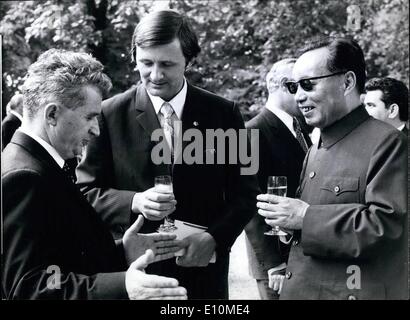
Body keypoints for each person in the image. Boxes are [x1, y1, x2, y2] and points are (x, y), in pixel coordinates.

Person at [76, 10, 259, 299]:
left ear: (190, 60)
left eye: (167, 64)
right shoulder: (107, 114)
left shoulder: (225, 113)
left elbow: (247, 193)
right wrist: (134, 201)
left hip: (203, 278)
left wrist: (214, 238)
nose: (155, 75)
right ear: (134, 56)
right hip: (135, 276)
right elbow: (85, 191)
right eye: (146, 63)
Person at [2, 49, 187, 300]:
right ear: (52, 114)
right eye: (90, 117)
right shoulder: (23, 178)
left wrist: (121, 252)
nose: (96, 130)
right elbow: (31, 286)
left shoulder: (39, 165)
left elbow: (61, 258)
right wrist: (123, 285)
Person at [257, 37, 407, 299]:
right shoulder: (317, 144)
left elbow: (386, 227)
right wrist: (288, 224)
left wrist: (305, 218)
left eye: (308, 84)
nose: (299, 96)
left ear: (347, 82)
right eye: (294, 86)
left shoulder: (388, 142)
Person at [244, 58, 311, 299]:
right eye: (302, 85)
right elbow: (246, 203)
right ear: (285, 85)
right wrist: (273, 264)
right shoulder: (251, 132)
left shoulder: (300, 127)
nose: (307, 94)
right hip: (276, 263)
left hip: (302, 254)